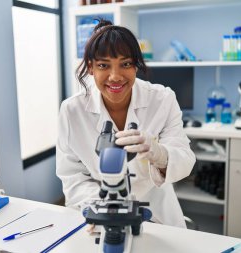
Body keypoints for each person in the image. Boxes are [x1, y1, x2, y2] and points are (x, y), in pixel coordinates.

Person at [56, 19, 195, 227]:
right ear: (91, 67)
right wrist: (103, 209)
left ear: (136, 66)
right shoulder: (72, 111)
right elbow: (73, 176)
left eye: (126, 64)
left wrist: (159, 154)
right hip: (101, 215)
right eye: (104, 65)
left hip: (157, 217)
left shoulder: (162, 99)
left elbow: (185, 161)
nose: (115, 76)